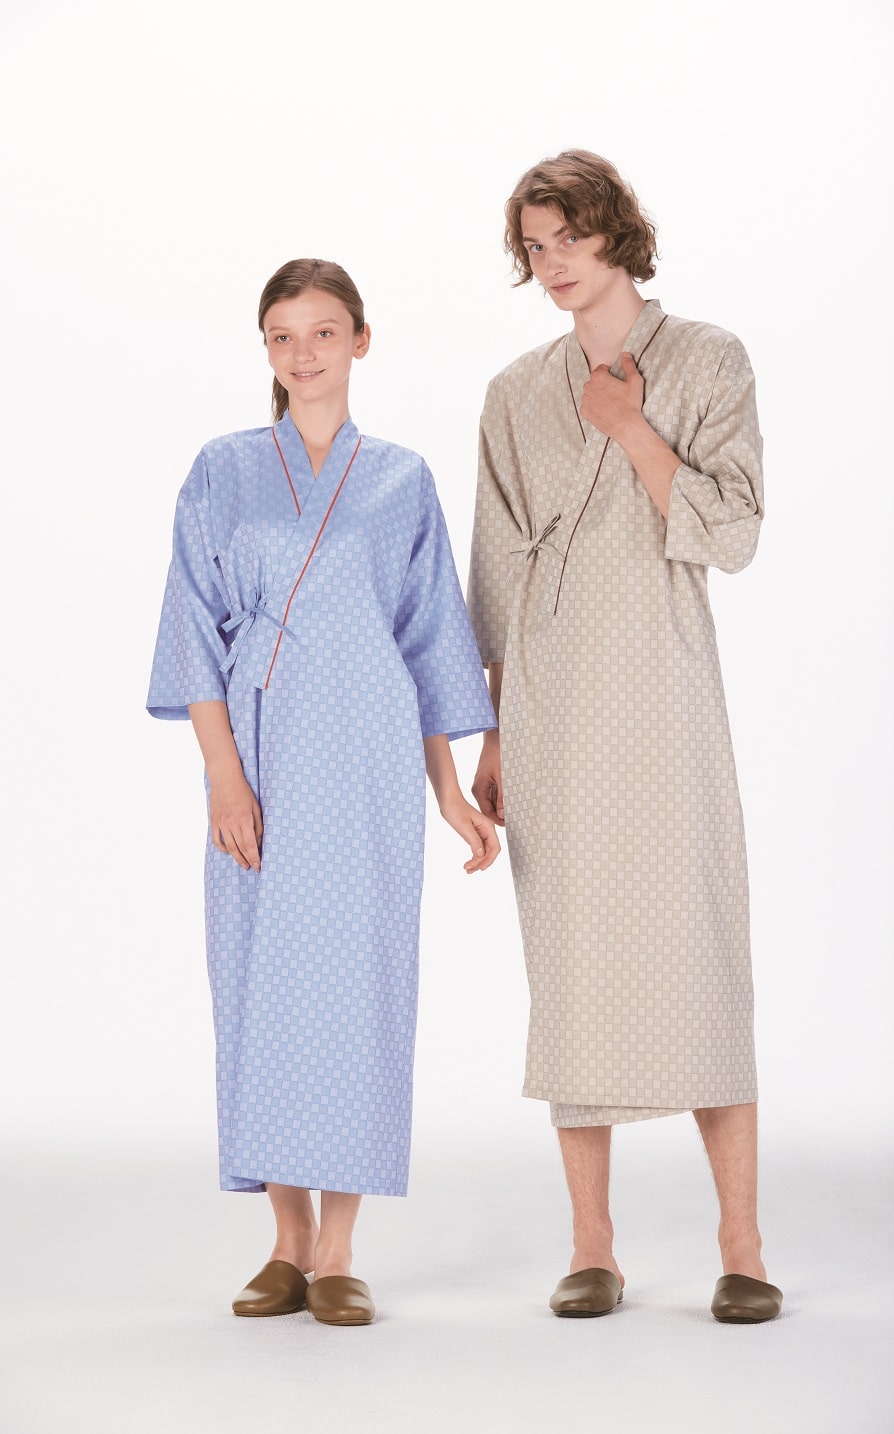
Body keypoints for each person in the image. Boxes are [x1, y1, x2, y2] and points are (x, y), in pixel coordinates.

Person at [148, 258, 498, 1327]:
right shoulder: (222, 470)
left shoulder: (400, 480)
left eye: (323, 332)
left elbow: (428, 642)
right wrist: (223, 777)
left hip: (367, 757)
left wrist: (447, 789)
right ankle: (286, 1239)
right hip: (257, 749)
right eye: (283, 336)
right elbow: (190, 626)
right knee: (257, 981)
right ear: (266, 349)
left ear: (360, 340)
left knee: (358, 986)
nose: (303, 354)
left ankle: (340, 1248)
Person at [468, 151, 782, 1323]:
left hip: (663, 691)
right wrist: (493, 733)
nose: (552, 264)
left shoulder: (709, 358)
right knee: (572, 966)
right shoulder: (514, 392)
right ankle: (591, 1245)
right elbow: (496, 566)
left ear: (617, 235)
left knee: (702, 956)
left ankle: (742, 1245)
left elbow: (734, 533)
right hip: (550, 705)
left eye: (569, 238)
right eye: (535, 247)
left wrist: (633, 427)